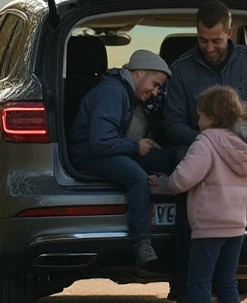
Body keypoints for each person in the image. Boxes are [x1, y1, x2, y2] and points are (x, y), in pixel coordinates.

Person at [162, 0, 247, 303]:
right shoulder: (182, 69)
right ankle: (184, 281)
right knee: (189, 186)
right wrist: (211, 141)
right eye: (203, 40)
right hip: (194, 146)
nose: (209, 47)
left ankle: (228, 277)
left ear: (230, 32)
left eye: (216, 40)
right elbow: (172, 125)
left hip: (242, 146)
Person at [157, 86, 247, 303]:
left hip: (208, 226)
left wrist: (166, 184)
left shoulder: (206, 142)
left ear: (211, 115)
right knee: (228, 281)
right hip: (235, 227)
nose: (197, 121)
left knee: (200, 281)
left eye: (200, 116)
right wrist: (243, 211)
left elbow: (185, 178)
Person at [67, 49, 173, 268]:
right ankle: (141, 242)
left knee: (162, 160)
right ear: (139, 73)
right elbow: (100, 143)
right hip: (89, 155)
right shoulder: (113, 92)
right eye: (154, 84)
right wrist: (135, 147)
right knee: (136, 177)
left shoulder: (124, 92)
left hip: (103, 150)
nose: (155, 92)